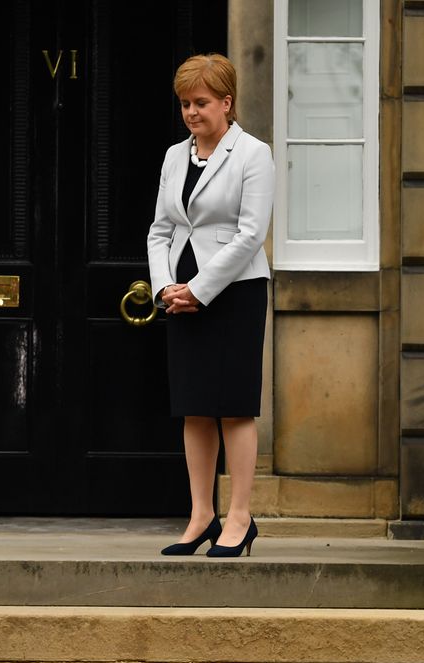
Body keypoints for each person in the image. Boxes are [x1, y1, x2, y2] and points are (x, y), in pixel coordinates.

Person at [146, 53, 274, 558]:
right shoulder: (175, 156)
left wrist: (200, 289)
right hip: (180, 294)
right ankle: (202, 516)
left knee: (235, 409)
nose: (192, 112)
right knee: (194, 408)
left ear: (227, 102)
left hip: (234, 292)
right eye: (184, 104)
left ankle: (240, 517)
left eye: (201, 102)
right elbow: (161, 229)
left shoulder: (253, 154)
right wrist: (165, 288)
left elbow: (250, 235)